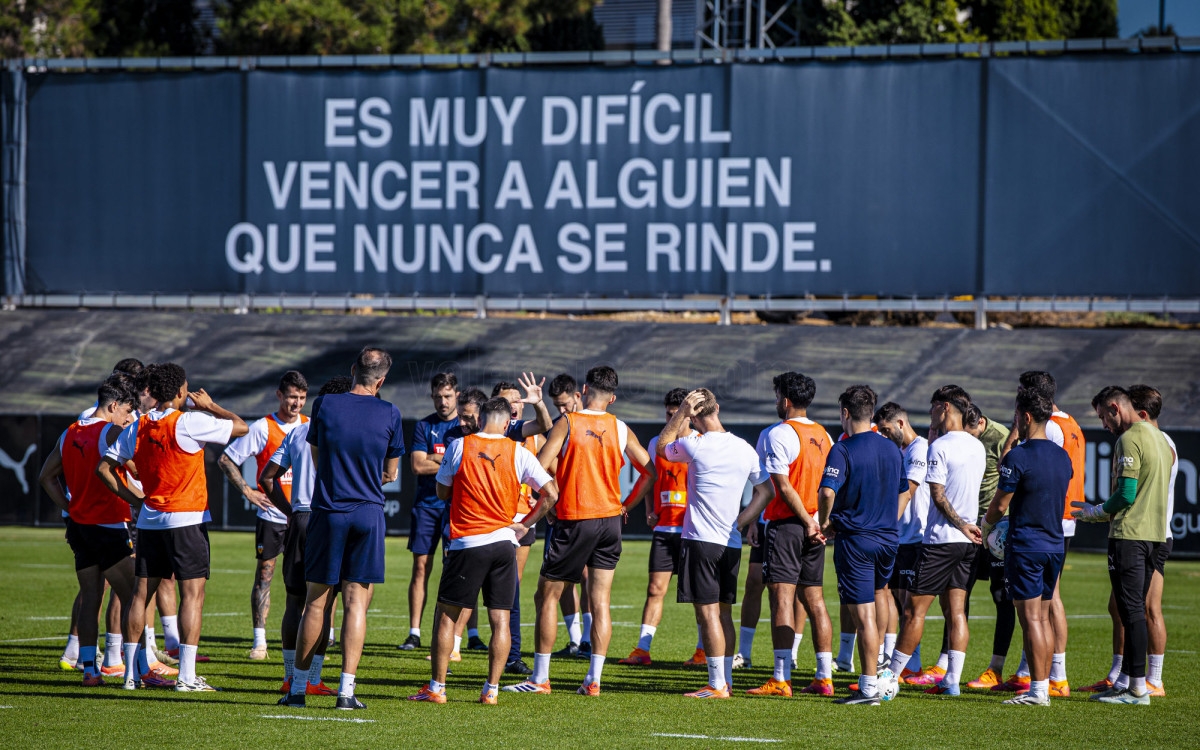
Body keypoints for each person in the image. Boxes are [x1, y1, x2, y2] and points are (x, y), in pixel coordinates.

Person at [97, 362, 248, 692]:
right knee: (192, 595)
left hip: (150, 520)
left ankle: (130, 675)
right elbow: (240, 428)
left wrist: (138, 499)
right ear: (181, 391)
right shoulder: (190, 421)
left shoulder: (137, 427)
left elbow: (104, 469)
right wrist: (210, 406)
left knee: (140, 595)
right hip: (187, 520)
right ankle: (186, 677)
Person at [504, 366, 655, 696]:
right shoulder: (619, 426)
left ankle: (540, 678)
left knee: (546, 595)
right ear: (612, 397)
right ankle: (593, 680)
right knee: (600, 600)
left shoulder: (568, 422)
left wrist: (541, 507)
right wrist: (625, 507)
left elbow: (537, 468)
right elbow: (649, 470)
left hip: (575, 519)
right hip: (610, 522)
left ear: (584, 390)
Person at [408, 397, 559, 705]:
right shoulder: (519, 450)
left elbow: (441, 491)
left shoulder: (459, 446)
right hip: (505, 543)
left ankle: (437, 688)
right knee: (500, 619)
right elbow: (551, 494)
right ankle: (490, 690)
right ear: (506, 423)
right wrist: (526, 524)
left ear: (480, 420)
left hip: (468, 542)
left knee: (446, 616)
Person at [280, 348, 404, 710]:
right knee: (356, 604)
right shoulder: (391, 412)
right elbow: (392, 473)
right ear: (381, 380)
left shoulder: (325, 406)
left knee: (315, 602)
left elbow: (317, 457)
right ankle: (346, 693)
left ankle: (299, 689)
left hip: (329, 509)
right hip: (368, 512)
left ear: (353, 371)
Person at [659, 389, 773, 698]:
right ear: (718, 408)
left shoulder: (694, 444)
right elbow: (765, 492)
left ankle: (716, 684)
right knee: (723, 613)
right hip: (730, 542)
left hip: (701, 542)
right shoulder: (744, 448)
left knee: (707, 614)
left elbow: (661, 446)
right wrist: (741, 522)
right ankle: (725, 682)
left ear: (693, 416)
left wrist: (680, 413)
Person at [1073, 386, 1171, 705]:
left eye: (1103, 416)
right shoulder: (1161, 439)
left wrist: (1095, 512)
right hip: (1155, 535)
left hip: (1130, 535)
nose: (1103, 424)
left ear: (1115, 408)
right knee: (1134, 610)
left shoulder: (1129, 439)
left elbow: (1127, 495)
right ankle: (1128, 681)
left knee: (1131, 613)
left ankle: (1137, 689)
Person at [38, 381, 139, 686]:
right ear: (113, 406)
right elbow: (135, 468)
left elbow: (46, 477)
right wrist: (142, 501)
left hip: (80, 527)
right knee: (134, 597)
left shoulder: (69, 432)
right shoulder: (110, 432)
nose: (128, 418)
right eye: (126, 411)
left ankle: (90, 671)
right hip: (108, 526)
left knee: (91, 598)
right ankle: (135, 670)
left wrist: (70, 506)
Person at [886, 385, 985, 697]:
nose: (929, 415)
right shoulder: (977, 446)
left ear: (944, 408)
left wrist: (959, 524)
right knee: (956, 611)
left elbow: (938, 496)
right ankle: (951, 681)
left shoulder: (940, 447)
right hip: (968, 544)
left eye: (932, 409)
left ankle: (889, 679)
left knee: (913, 611)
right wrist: (968, 527)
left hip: (941, 541)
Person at [741, 372, 834, 698]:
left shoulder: (777, 433)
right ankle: (824, 676)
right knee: (815, 600)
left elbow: (781, 486)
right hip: (814, 525)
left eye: (777, 394)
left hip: (788, 525)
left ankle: (781, 678)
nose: (775, 400)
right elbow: (830, 486)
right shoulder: (824, 435)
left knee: (781, 599)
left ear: (786, 399)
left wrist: (806, 522)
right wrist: (820, 521)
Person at [260, 376, 353, 696]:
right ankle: (312, 678)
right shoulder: (348, 433)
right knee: (325, 604)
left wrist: (290, 512)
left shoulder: (299, 432)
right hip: (332, 518)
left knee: (295, 600)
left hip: (301, 518)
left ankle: (291, 676)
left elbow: (267, 477)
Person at [996, 370, 1086, 696]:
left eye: (1019, 395)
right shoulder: (1070, 424)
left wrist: (991, 524)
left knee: (1039, 612)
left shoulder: (1053, 432)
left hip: (1041, 523)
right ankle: (1042, 678)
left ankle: (1049, 680)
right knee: (1044, 608)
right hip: (1056, 527)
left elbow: (1012, 467)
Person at [981, 388, 1072, 705]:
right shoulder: (1062, 456)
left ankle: (1037, 692)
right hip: (1054, 546)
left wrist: (986, 527)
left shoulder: (1017, 456)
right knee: (1043, 618)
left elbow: (999, 505)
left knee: (1031, 619)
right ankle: (1043, 687)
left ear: (1026, 416)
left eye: (1016, 414)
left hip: (1026, 547)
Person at [818, 385, 907, 705]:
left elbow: (827, 492)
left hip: (857, 541)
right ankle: (880, 668)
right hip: (888, 541)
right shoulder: (893, 449)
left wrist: (825, 523)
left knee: (864, 614)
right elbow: (903, 490)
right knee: (880, 598)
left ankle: (869, 686)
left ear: (845, 413)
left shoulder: (843, 449)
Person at [219, 370, 309, 660]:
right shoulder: (263, 427)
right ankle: (260, 641)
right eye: (292, 397)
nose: (297, 404)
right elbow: (226, 459)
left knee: (310, 578)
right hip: (273, 515)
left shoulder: (311, 426)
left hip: (304, 515)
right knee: (266, 574)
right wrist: (247, 490)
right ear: (280, 395)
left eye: (302, 398)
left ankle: (313, 636)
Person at [617, 388, 703, 667]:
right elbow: (649, 478)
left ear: (690, 415)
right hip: (665, 530)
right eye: (668, 413)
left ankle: (703, 651)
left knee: (700, 595)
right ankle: (642, 650)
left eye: (677, 413)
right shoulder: (657, 442)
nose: (672, 418)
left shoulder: (701, 443)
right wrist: (649, 510)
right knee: (655, 589)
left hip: (693, 531)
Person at [400, 372, 461, 653]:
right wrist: (448, 460)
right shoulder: (425, 426)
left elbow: (466, 466)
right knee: (421, 567)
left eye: (447, 395)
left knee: (454, 570)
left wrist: (435, 458)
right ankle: (414, 632)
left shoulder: (465, 425)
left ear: (457, 395)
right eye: (438, 396)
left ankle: (457, 635)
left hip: (455, 508)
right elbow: (417, 466)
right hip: (426, 505)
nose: (442, 401)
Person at [959, 406, 1017, 691]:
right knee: (958, 593)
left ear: (980, 422)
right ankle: (949, 663)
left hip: (996, 528)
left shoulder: (1002, 437)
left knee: (1001, 596)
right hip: (968, 526)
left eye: (971, 434)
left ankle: (996, 668)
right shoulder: (959, 437)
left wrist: (997, 522)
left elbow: (1012, 482)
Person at [874, 402, 930, 683]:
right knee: (893, 598)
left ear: (900, 423)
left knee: (910, 604)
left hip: (915, 536)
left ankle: (913, 664)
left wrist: (885, 525)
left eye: (886, 429)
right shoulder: (897, 450)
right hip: (898, 537)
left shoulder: (920, 448)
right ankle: (894, 659)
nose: (883, 435)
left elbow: (908, 490)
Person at [546, 373, 588, 658]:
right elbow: (543, 465)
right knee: (562, 579)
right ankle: (575, 640)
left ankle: (589, 642)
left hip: (590, 511)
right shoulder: (560, 426)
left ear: (578, 395)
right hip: (562, 511)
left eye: (564, 404)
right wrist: (550, 498)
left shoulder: (597, 423)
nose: (562, 411)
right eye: (556, 406)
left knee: (589, 577)